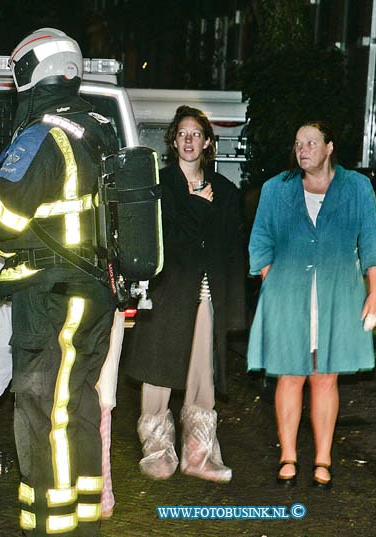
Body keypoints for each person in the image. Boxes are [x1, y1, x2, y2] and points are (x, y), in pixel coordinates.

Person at [0, 28, 118, 536]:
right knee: (78, 407)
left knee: (44, 412)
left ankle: (53, 527)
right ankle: (84, 522)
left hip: (51, 296)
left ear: (33, 70)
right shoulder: (97, 129)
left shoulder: (42, 134)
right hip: (95, 291)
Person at [247, 121, 376, 489]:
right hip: (287, 294)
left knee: (325, 377)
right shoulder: (276, 189)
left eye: (311, 142)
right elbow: (260, 240)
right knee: (290, 375)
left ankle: (323, 460)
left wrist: (375, 292)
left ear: (329, 147)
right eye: (297, 143)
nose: (302, 149)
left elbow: (372, 243)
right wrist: (272, 281)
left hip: (338, 293)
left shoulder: (357, 187)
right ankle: (289, 457)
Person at [124, 105, 245, 483]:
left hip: (208, 293)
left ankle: (199, 452)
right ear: (173, 141)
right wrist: (195, 204)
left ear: (208, 142)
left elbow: (230, 248)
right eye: (182, 134)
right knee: (158, 368)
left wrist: (235, 305)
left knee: (202, 370)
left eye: (196, 134)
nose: (189, 140)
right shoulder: (159, 187)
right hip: (168, 292)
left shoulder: (225, 191)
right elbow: (165, 238)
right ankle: (158, 449)